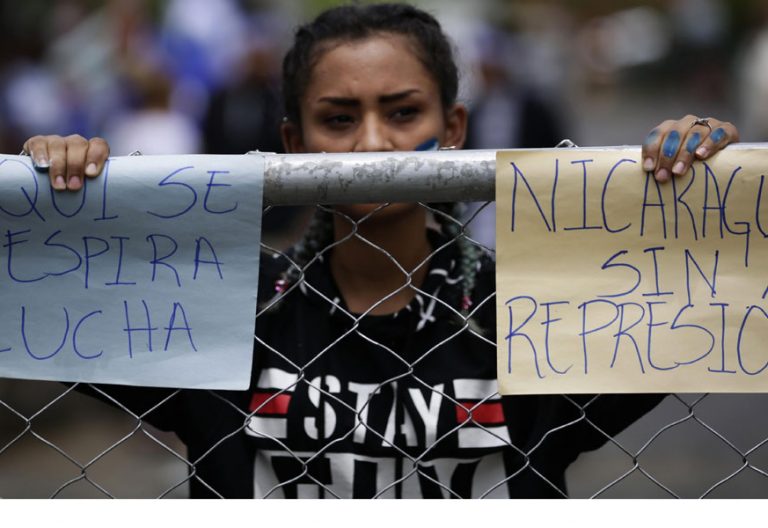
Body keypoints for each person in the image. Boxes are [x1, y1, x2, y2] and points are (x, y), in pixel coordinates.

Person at [21, 4, 738, 498]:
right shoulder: (229, 308)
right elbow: (49, 304)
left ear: (453, 129)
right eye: (339, 119)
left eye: (403, 112)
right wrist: (54, 192)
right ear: (295, 143)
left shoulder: (528, 312)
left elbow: (702, 303)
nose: (372, 143)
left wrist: (706, 182)